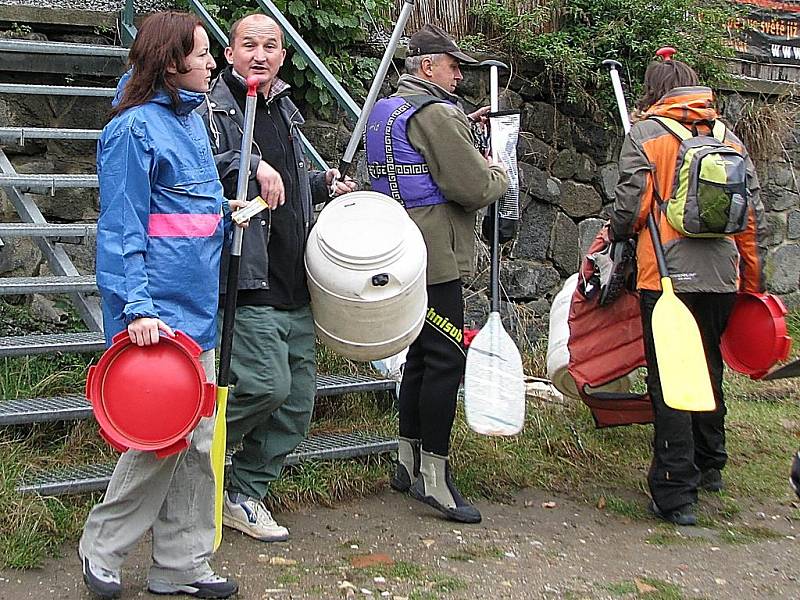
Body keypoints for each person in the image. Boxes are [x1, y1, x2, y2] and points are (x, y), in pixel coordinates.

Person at [79, 12, 243, 600]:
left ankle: (181, 566)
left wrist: (226, 216)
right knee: (159, 438)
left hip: (198, 308)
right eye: (201, 54)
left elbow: (185, 214)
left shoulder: (193, 122)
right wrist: (137, 308)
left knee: (198, 443)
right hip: (154, 317)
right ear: (171, 63)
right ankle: (102, 547)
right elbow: (123, 228)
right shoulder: (132, 131)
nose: (213, 63)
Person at [198, 13, 356, 542]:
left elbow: (287, 185)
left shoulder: (284, 107)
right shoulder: (210, 108)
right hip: (248, 275)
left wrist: (320, 181)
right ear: (229, 53)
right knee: (266, 385)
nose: (260, 55)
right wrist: (245, 165)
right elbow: (203, 168)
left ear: (283, 57)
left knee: (297, 403)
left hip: (294, 276)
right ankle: (188, 460)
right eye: (249, 45)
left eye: (271, 46)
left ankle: (242, 492)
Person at [610, 57, 767, 526]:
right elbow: (750, 215)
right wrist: (750, 285)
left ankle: (676, 492)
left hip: (666, 275)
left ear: (653, 90)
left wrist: (617, 233)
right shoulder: (728, 138)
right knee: (708, 365)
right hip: (722, 275)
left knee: (672, 379)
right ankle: (710, 463)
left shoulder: (646, 136)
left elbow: (632, 209)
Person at [364, 24, 509, 523]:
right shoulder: (438, 113)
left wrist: (458, 128)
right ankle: (436, 478)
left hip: (396, 245)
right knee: (446, 357)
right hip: (436, 255)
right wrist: (500, 171)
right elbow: (471, 185)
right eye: (453, 65)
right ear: (429, 66)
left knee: (421, 358)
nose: (459, 74)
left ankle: (406, 463)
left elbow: (414, 155)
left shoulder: (390, 106)